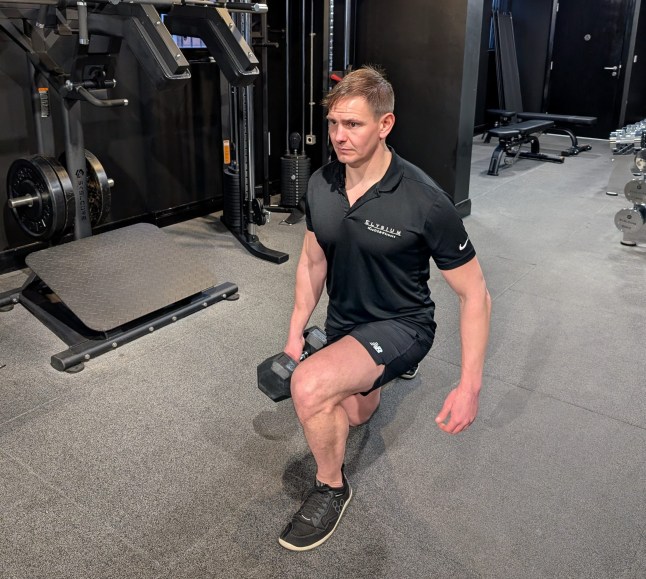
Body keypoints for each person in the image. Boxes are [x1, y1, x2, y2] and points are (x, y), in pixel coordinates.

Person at [278, 65, 492, 552]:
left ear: (385, 124)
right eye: (334, 124)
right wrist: (294, 332)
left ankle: (331, 487)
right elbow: (312, 261)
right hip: (345, 321)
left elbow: (475, 293)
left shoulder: (426, 201)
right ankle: (371, 373)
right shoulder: (322, 183)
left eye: (353, 124)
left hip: (402, 324)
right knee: (354, 415)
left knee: (309, 386)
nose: (339, 136)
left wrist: (469, 386)